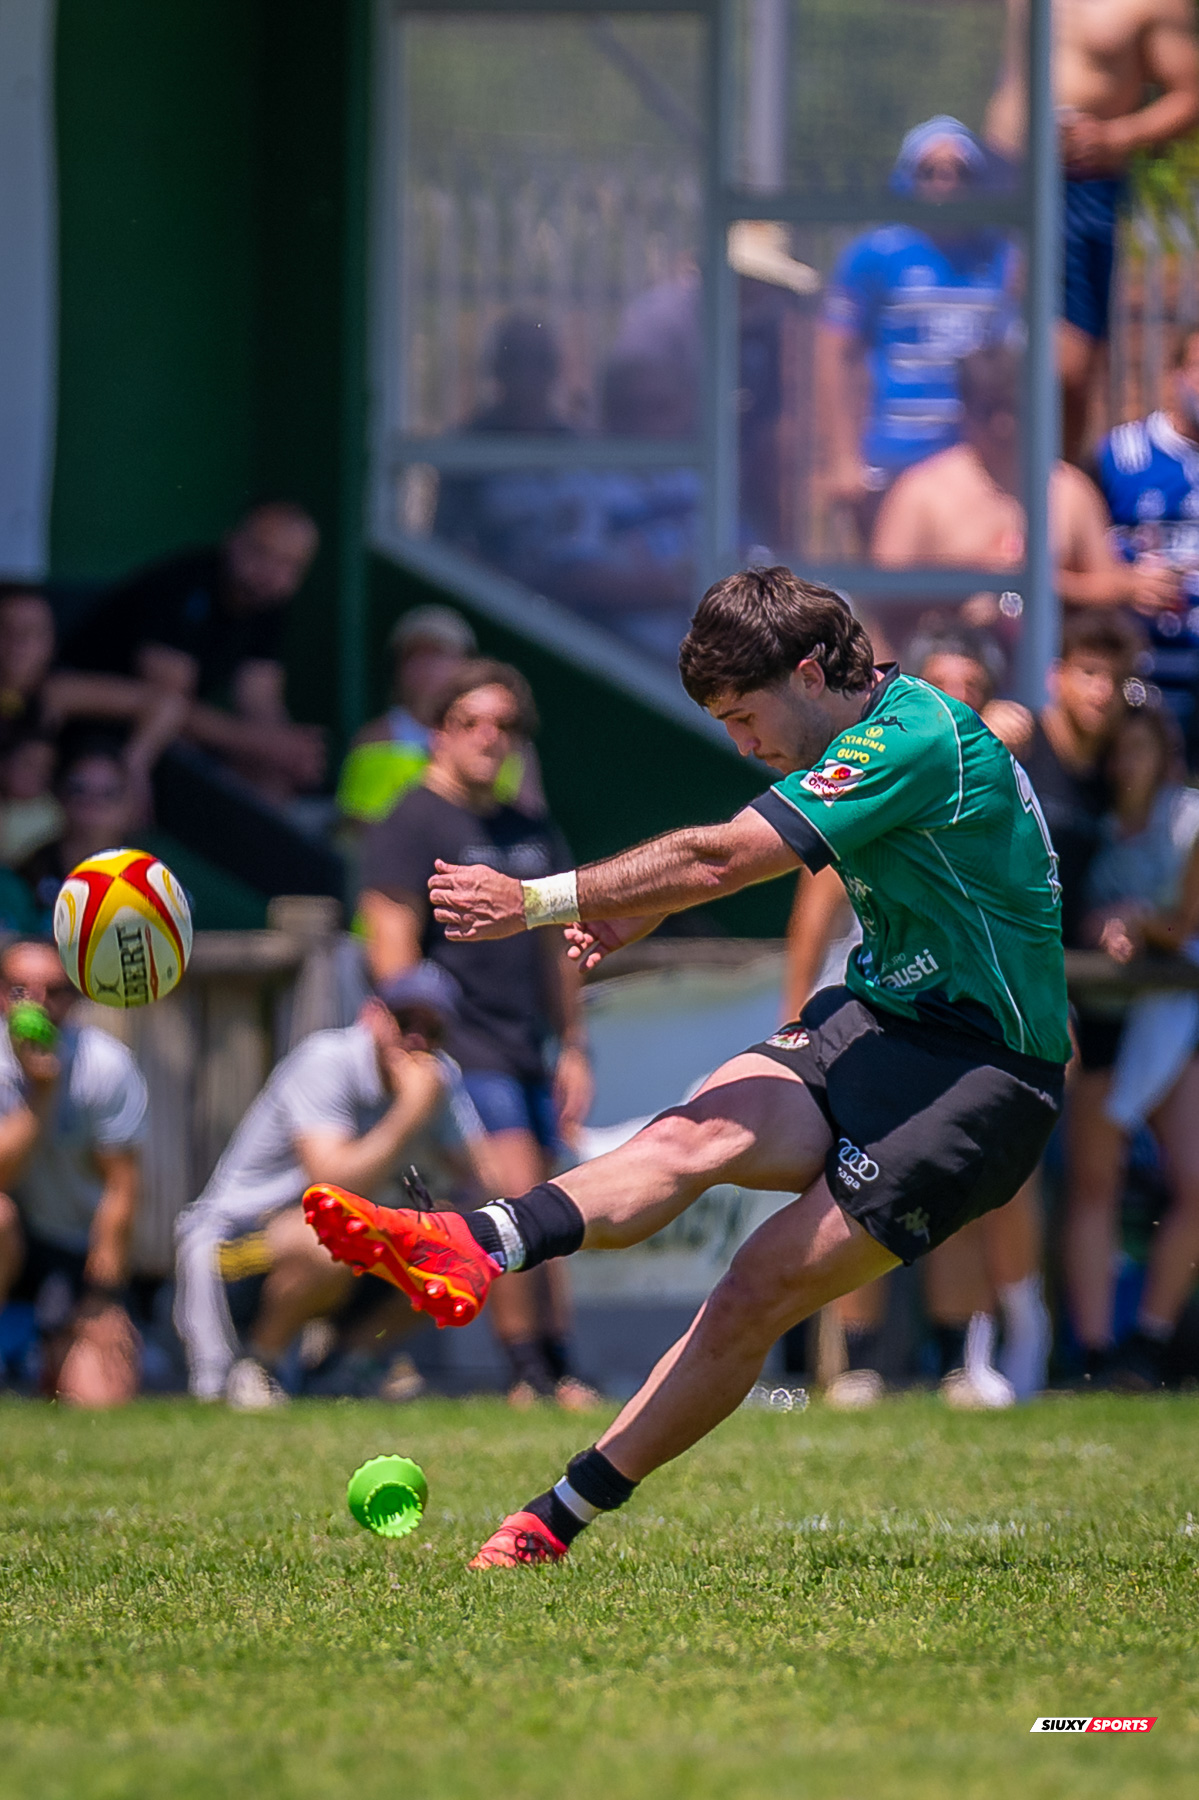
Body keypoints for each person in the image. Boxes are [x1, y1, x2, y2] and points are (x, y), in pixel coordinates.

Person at [307, 566, 1070, 1567]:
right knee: (696, 1128)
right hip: (882, 1016)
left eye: (743, 716)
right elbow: (735, 854)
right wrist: (651, 896)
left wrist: (540, 901)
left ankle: (557, 1515)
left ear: (807, 671)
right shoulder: (860, 727)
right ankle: (472, 1243)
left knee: (753, 1287)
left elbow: (722, 857)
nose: (739, 743)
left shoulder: (916, 735)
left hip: (984, 1073)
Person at [783, 625, 1046, 1406]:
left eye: (970, 686)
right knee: (849, 1181)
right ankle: (855, 1362)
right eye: (943, 683)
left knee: (954, 1183)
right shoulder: (880, 766)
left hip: (956, 1020)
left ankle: (957, 1358)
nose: (953, 701)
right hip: (868, 1009)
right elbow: (814, 906)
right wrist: (793, 1012)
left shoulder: (986, 780)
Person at [357, 658, 597, 1409]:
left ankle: (554, 1363)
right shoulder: (411, 821)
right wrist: (416, 1046)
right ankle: (530, 1369)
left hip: (528, 1045)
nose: (489, 738)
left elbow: (561, 950)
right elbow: (390, 947)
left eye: (505, 725)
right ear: (438, 732)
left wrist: (574, 1048)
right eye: (471, 722)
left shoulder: (530, 826)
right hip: (462, 1048)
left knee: (552, 1199)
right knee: (517, 1197)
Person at [174, 964, 488, 1408]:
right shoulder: (327, 1060)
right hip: (233, 1245)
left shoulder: (440, 1077)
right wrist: (410, 1113)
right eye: (405, 1022)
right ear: (373, 1016)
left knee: (462, 1253)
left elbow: (483, 1180)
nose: (416, 1039)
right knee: (337, 1231)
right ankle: (256, 1366)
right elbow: (334, 1182)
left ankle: (344, 1364)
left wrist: (443, 1205)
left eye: (432, 1029)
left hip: (330, 1247)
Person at [987, 0, 1199, 460]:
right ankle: (984, 501)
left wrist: (1116, 138)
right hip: (999, 174)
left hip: (1080, 185)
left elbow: (1191, 95)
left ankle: (1053, 496)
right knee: (980, 353)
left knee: (1069, 370)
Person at [1066, 704, 1199, 1387]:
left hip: (1168, 1017)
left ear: (1164, 752)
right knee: (1094, 1186)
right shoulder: (1083, 823)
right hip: (1099, 1018)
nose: (1127, 763)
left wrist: (1139, 923)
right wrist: (1098, 924)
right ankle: (1090, 1355)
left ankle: (1144, 1344)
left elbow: (1185, 923)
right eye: (1119, 750)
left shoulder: (1189, 820)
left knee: (1193, 1187)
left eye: (1141, 748)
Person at [816, 117, 1020, 548]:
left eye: (959, 171)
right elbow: (835, 352)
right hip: (893, 455)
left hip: (974, 455)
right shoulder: (873, 254)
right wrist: (842, 458)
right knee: (891, 591)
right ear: (907, 177)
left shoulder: (1001, 257)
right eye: (930, 171)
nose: (945, 182)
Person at [871, 344, 1178, 620]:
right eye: (989, 409)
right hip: (947, 673)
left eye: (1012, 408)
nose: (1002, 425)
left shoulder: (1067, 490)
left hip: (1049, 672)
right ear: (965, 409)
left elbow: (1111, 587)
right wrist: (972, 577)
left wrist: (1043, 584)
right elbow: (882, 595)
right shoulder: (922, 491)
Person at [61, 503, 325, 804]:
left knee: (269, 776)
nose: (272, 572)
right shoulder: (183, 585)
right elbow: (171, 705)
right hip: (88, 725)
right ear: (233, 542)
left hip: (161, 734)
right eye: (262, 553)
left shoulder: (269, 606)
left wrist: (290, 751)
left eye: (290, 565)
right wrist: (264, 745)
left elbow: (261, 702)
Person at [0, 938, 146, 1405]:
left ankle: (49, 1354)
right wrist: (40, 1095)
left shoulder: (105, 1065)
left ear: (76, 998)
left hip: (70, 1248)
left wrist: (100, 1299)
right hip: (8, 1240)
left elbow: (120, 1191)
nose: (38, 1004)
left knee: (101, 1399)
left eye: (54, 991)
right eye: (21, 990)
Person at [1094, 327, 1199, 758]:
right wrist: (1125, 583)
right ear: (1175, 374)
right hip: (1146, 675)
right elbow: (1070, 554)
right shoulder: (1119, 456)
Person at [336, 606, 539, 827]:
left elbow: (533, 828)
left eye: (438, 653)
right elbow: (355, 832)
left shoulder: (512, 743)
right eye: (414, 655)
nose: (427, 666)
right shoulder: (374, 738)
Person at [16, 742, 147, 931]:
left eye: (109, 793)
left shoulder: (153, 877)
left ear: (133, 806)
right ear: (59, 797)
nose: (92, 802)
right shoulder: (28, 872)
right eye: (78, 789)